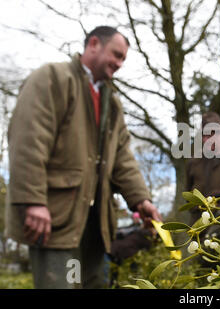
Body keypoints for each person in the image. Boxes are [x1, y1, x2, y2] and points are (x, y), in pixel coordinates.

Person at [5, 26, 162, 289]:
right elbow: (29, 138)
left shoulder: (112, 102)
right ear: (93, 44)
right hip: (55, 219)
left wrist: (141, 199)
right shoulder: (52, 78)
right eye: (116, 54)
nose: (119, 63)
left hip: (95, 226)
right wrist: (32, 200)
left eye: (123, 59)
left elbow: (122, 157)